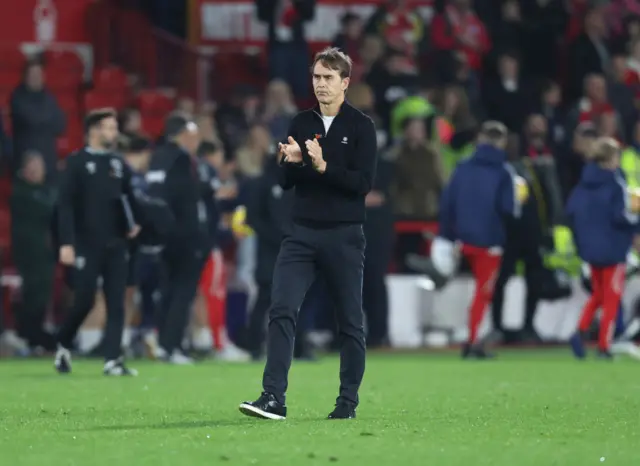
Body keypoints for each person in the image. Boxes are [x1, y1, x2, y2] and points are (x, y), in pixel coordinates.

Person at [239, 47, 377, 420]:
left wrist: (320, 164)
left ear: (345, 83)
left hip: (344, 235)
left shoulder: (361, 127)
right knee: (282, 308)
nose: (321, 84)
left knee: (349, 320)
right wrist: (291, 161)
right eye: (316, 77)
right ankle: (273, 398)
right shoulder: (300, 121)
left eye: (328, 77)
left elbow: (361, 185)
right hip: (300, 233)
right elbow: (285, 181)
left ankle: (347, 402)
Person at [54, 108, 141, 376]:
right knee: (84, 301)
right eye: (109, 128)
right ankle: (63, 342)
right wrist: (66, 243)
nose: (113, 133)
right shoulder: (77, 162)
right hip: (86, 243)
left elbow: (129, 197)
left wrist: (133, 223)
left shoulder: (117, 162)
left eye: (115, 128)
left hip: (116, 243)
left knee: (116, 301)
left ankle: (112, 360)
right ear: (93, 130)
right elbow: (65, 205)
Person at [439, 121, 527, 359]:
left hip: (462, 238)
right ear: (502, 142)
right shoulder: (505, 172)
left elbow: (447, 203)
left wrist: (447, 235)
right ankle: (472, 341)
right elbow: (509, 209)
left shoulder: (462, 167)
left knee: (459, 285)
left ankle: (471, 338)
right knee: (482, 292)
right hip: (489, 241)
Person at [566, 137, 640, 359]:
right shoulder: (616, 184)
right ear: (609, 159)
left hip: (590, 247)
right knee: (611, 298)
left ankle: (580, 331)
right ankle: (603, 346)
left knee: (598, 294)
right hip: (613, 247)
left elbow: (571, 212)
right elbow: (621, 216)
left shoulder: (582, 183)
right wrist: (636, 218)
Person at [145, 113, 207, 364]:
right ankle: (173, 346)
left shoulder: (157, 157)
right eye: (191, 136)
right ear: (182, 135)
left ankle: (162, 344)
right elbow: (186, 199)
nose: (195, 141)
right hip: (184, 235)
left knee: (168, 291)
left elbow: (155, 197)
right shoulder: (182, 160)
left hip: (162, 235)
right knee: (183, 292)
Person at [10, 151, 57, 351]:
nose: (38, 171)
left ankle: (36, 332)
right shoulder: (20, 192)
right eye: (34, 167)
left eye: (40, 167)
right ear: (25, 170)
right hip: (28, 250)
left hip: (44, 251)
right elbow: (47, 209)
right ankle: (27, 333)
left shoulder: (45, 190)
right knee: (32, 291)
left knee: (43, 291)